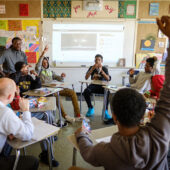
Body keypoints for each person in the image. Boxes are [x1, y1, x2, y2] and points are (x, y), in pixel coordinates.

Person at [75, 16, 170, 170]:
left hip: (104, 87)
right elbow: (167, 99)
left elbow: (88, 153)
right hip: (95, 86)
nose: (98, 62)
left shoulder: (106, 151)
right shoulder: (159, 136)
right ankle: (91, 107)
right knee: (87, 90)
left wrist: (81, 134)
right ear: (143, 115)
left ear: (114, 116)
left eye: (99, 60)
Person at [9, 62, 59, 167]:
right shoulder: (13, 77)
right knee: (46, 114)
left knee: (48, 111)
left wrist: (36, 77)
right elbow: (13, 81)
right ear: (20, 69)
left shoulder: (28, 76)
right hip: (19, 108)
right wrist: (20, 72)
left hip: (28, 102)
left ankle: (49, 141)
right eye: (25, 67)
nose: (27, 69)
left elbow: (37, 86)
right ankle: (47, 151)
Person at [35, 46, 86, 123]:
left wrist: (62, 76)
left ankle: (78, 114)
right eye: (43, 63)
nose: (45, 64)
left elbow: (58, 78)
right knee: (56, 95)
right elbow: (38, 64)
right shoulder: (39, 70)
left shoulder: (50, 71)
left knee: (71, 92)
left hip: (54, 88)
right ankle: (65, 116)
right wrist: (43, 53)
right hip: (46, 91)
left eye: (46, 62)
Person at [0, 78, 39, 170]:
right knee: (33, 161)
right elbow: (28, 134)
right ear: (10, 96)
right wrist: (26, 110)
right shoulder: (5, 112)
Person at [83, 54, 111, 119]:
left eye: (99, 60)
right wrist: (92, 69)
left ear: (102, 61)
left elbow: (108, 79)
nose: (97, 61)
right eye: (96, 60)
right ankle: (90, 108)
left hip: (102, 86)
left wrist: (102, 71)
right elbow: (86, 78)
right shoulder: (91, 67)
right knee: (86, 91)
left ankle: (105, 110)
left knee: (108, 93)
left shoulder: (104, 68)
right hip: (93, 86)